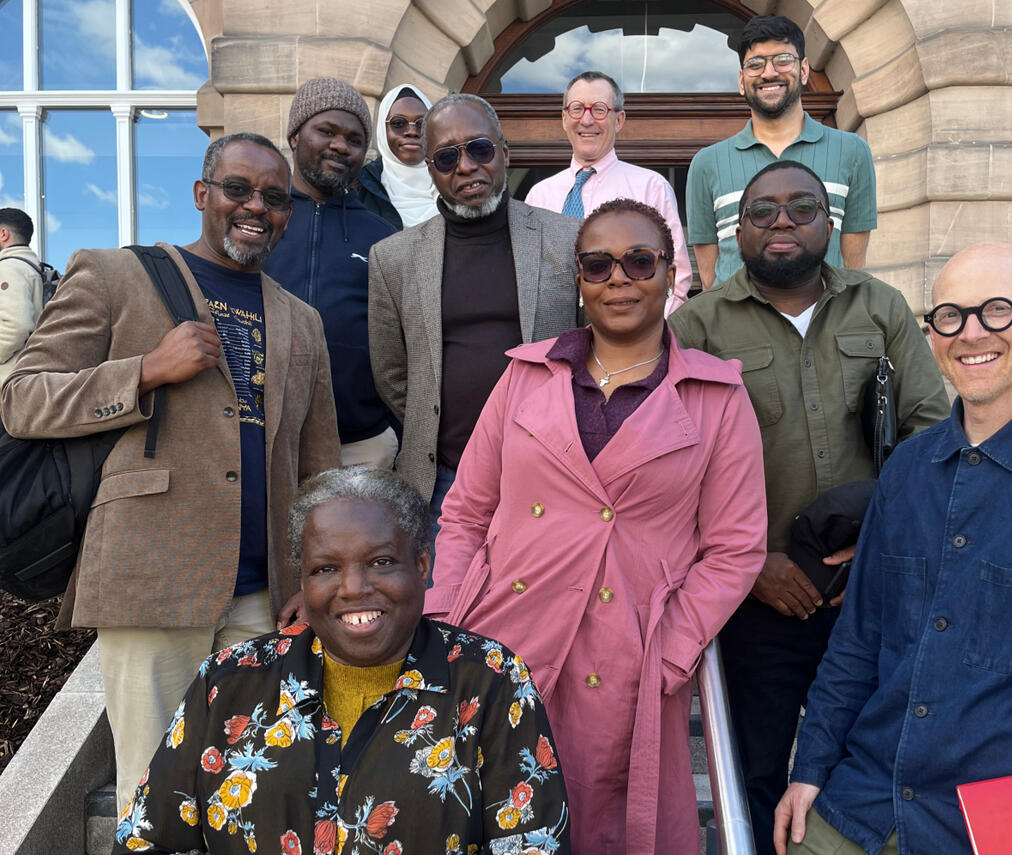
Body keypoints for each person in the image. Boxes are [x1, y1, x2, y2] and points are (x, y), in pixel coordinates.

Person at [0, 132, 341, 811]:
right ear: (201, 195)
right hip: (151, 576)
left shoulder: (302, 320)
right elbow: (20, 398)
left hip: (262, 597)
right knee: (156, 797)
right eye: (238, 189)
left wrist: (314, 570)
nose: (256, 207)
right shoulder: (113, 274)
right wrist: (146, 370)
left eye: (274, 198)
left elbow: (319, 465)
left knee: (255, 787)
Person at [425, 198, 768, 854]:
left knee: (604, 824)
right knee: (481, 813)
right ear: (578, 280)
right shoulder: (525, 374)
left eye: (640, 261)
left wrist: (672, 648)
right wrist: (447, 613)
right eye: (598, 263)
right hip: (503, 635)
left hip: (626, 655)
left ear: (672, 275)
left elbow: (735, 547)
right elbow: (466, 509)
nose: (619, 277)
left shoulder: (716, 397)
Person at [668, 160, 949, 855]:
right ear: (738, 230)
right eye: (763, 210)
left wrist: (881, 546)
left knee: (876, 763)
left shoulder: (880, 308)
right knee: (757, 772)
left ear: (831, 222)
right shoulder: (697, 324)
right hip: (756, 598)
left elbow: (931, 434)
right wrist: (748, 564)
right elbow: (670, 469)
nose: (783, 221)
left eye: (801, 207)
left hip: (869, 592)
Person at [774, 242, 1012, 855]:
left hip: (1010, 820)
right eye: (950, 316)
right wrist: (810, 768)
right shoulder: (908, 469)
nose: (971, 334)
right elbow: (858, 640)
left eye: (997, 310)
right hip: (868, 796)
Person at [113, 466, 571, 855]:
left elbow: (532, 843)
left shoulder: (491, 680)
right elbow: (150, 840)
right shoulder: (230, 681)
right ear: (303, 581)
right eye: (326, 569)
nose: (352, 588)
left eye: (381, 562)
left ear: (424, 565)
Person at [368, 93, 581, 541]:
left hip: (553, 473)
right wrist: (435, 422)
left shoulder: (566, 238)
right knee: (446, 609)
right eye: (446, 158)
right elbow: (391, 372)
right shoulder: (394, 259)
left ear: (503, 153)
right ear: (431, 171)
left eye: (479, 149)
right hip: (444, 480)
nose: (465, 167)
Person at [263, 77, 399, 469]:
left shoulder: (383, 236)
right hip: (266, 441)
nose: (341, 146)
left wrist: (392, 429)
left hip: (360, 446)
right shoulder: (259, 220)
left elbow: (405, 343)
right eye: (326, 131)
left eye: (354, 139)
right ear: (294, 136)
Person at [687, 15, 877, 288]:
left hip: (822, 325)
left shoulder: (852, 152)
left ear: (803, 71)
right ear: (742, 81)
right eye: (755, 64)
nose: (768, 72)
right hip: (736, 327)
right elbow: (709, 279)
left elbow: (853, 272)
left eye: (783, 60)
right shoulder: (706, 164)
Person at [525, 70, 689, 312]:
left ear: (619, 119)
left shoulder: (651, 187)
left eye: (599, 109)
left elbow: (677, 278)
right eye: (577, 108)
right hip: (552, 337)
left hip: (629, 336)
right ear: (564, 118)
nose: (587, 120)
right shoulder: (538, 195)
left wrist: (650, 337)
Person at [357, 83, 439, 229]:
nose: (411, 131)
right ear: (383, 130)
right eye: (399, 123)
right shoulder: (360, 187)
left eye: (422, 124)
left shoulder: (454, 181)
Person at [0, 207, 44, 389]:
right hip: (26, 380)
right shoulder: (34, 269)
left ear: (3, 234)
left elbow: (15, 327)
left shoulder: (9, 268)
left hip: (7, 382)